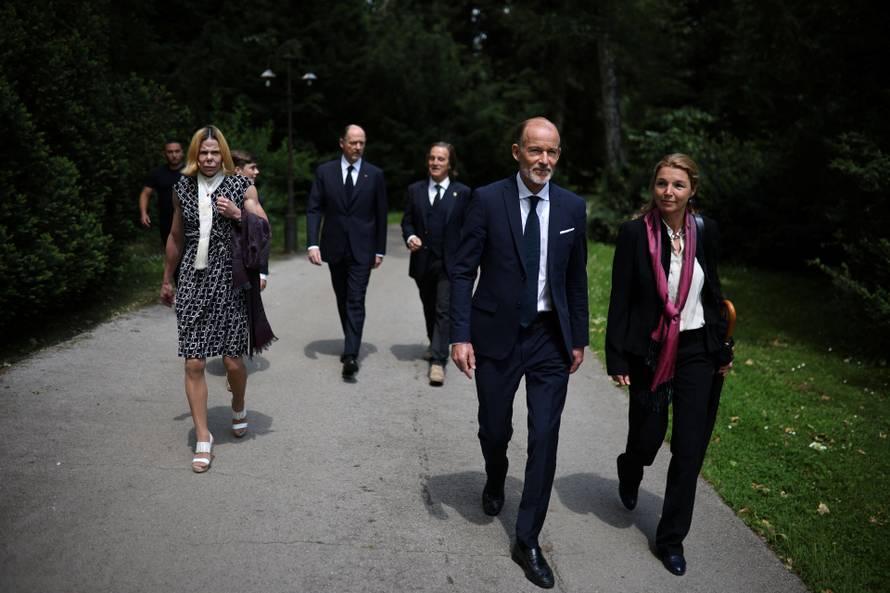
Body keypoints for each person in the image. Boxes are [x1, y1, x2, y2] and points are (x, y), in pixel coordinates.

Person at [450, 117, 589, 589]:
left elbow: (576, 277)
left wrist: (579, 337)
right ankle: (495, 474)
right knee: (495, 426)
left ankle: (526, 537)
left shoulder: (572, 207)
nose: (543, 161)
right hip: (495, 334)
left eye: (551, 152)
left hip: (550, 338)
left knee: (545, 434)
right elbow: (462, 270)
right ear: (517, 152)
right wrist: (459, 335)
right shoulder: (487, 199)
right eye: (535, 151)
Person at [605, 153, 733, 576]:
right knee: (647, 436)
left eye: (678, 185)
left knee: (689, 448)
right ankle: (631, 466)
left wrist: (723, 347)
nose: (668, 192)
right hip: (651, 350)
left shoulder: (705, 231)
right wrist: (617, 356)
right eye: (662, 183)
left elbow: (713, 292)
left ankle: (671, 539)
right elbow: (620, 298)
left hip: (698, 350)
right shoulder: (634, 234)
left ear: (692, 190)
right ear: (653, 187)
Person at [160, 125, 272, 473]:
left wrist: (238, 214)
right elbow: (176, 237)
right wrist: (167, 278)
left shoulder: (241, 186)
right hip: (193, 279)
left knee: (232, 362)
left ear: (222, 153)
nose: (209, 158)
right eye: (203, 152)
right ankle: (204, 437)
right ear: (195, 154)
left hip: (231, 278)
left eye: (214, 152)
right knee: (194, 362)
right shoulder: (182, 188)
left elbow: (265, 228)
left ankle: (238, 402)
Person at [306, 124, 388, 379]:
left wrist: (380, 249)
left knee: (355, 299)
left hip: (363, 249)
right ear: (342, 142)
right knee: (343, 298)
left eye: (362, 142)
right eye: (353, 142)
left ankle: (351, 354)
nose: (358, 147)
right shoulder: (325, 172)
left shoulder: (374, 175)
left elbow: (381, 214)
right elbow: (315, 208)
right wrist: (312, 243)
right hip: (334, 246)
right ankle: (350, 340)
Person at [401, 142, 471, 386]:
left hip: (449, 263)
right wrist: (410, 237)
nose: (435, 162)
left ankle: (438, 361)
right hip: (422, 262)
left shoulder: (462, 193)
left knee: (443, 309)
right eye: (432, 158)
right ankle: (435, 343)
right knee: (429, 307)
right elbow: (407, 221)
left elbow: (468, 228)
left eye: (441, 158)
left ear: (450, 163)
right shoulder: (415, 190)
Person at [232, 150, 268, 291]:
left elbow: (262, 235)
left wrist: (262, 273)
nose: (257, 172)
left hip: (249, 266)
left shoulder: (252, 196)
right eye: (252, 168)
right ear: (237, 170)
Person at [139, 140, 184, 247]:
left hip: (187, 219)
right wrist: (143, 213)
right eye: (170, 152)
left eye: (177, 151)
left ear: (182, 153)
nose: (174, 155)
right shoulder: (157, 173)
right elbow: (145, 194)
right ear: (164, 153)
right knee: (170, 251)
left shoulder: (191, 172)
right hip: (166, 220)